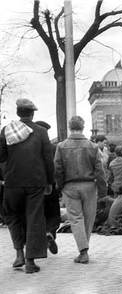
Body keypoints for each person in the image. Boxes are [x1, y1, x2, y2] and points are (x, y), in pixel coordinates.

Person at [0, 98, 54, 273]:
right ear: (32, 113)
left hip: (12, 182)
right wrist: (50, 181)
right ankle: (30, 262)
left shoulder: (7, 131)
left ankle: (19, 254)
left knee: (12, 216)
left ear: (18, 113)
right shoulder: (40, 132)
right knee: (34, 219)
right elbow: (48, 159)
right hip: (35, 182)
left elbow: (1, 157)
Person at [54, 116, 107, 264]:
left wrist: (60, 186)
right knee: (89, 218)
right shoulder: (93, 147)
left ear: (70, 127)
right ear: (83, 127)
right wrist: (103, 190)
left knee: (76, 219)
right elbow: (99, 170)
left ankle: (83, 251)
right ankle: (84, 249)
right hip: (89, 186)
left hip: (70, 186)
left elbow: (57, 169)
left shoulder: (61, 146)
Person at [35, 120, 61, 255]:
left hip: (35, 187)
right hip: (51, 185)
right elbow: (57, 166)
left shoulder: (31, 148)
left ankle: (43, 238)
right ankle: (50, 233)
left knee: (39, 214)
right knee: (54, 214)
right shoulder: (54, 148)